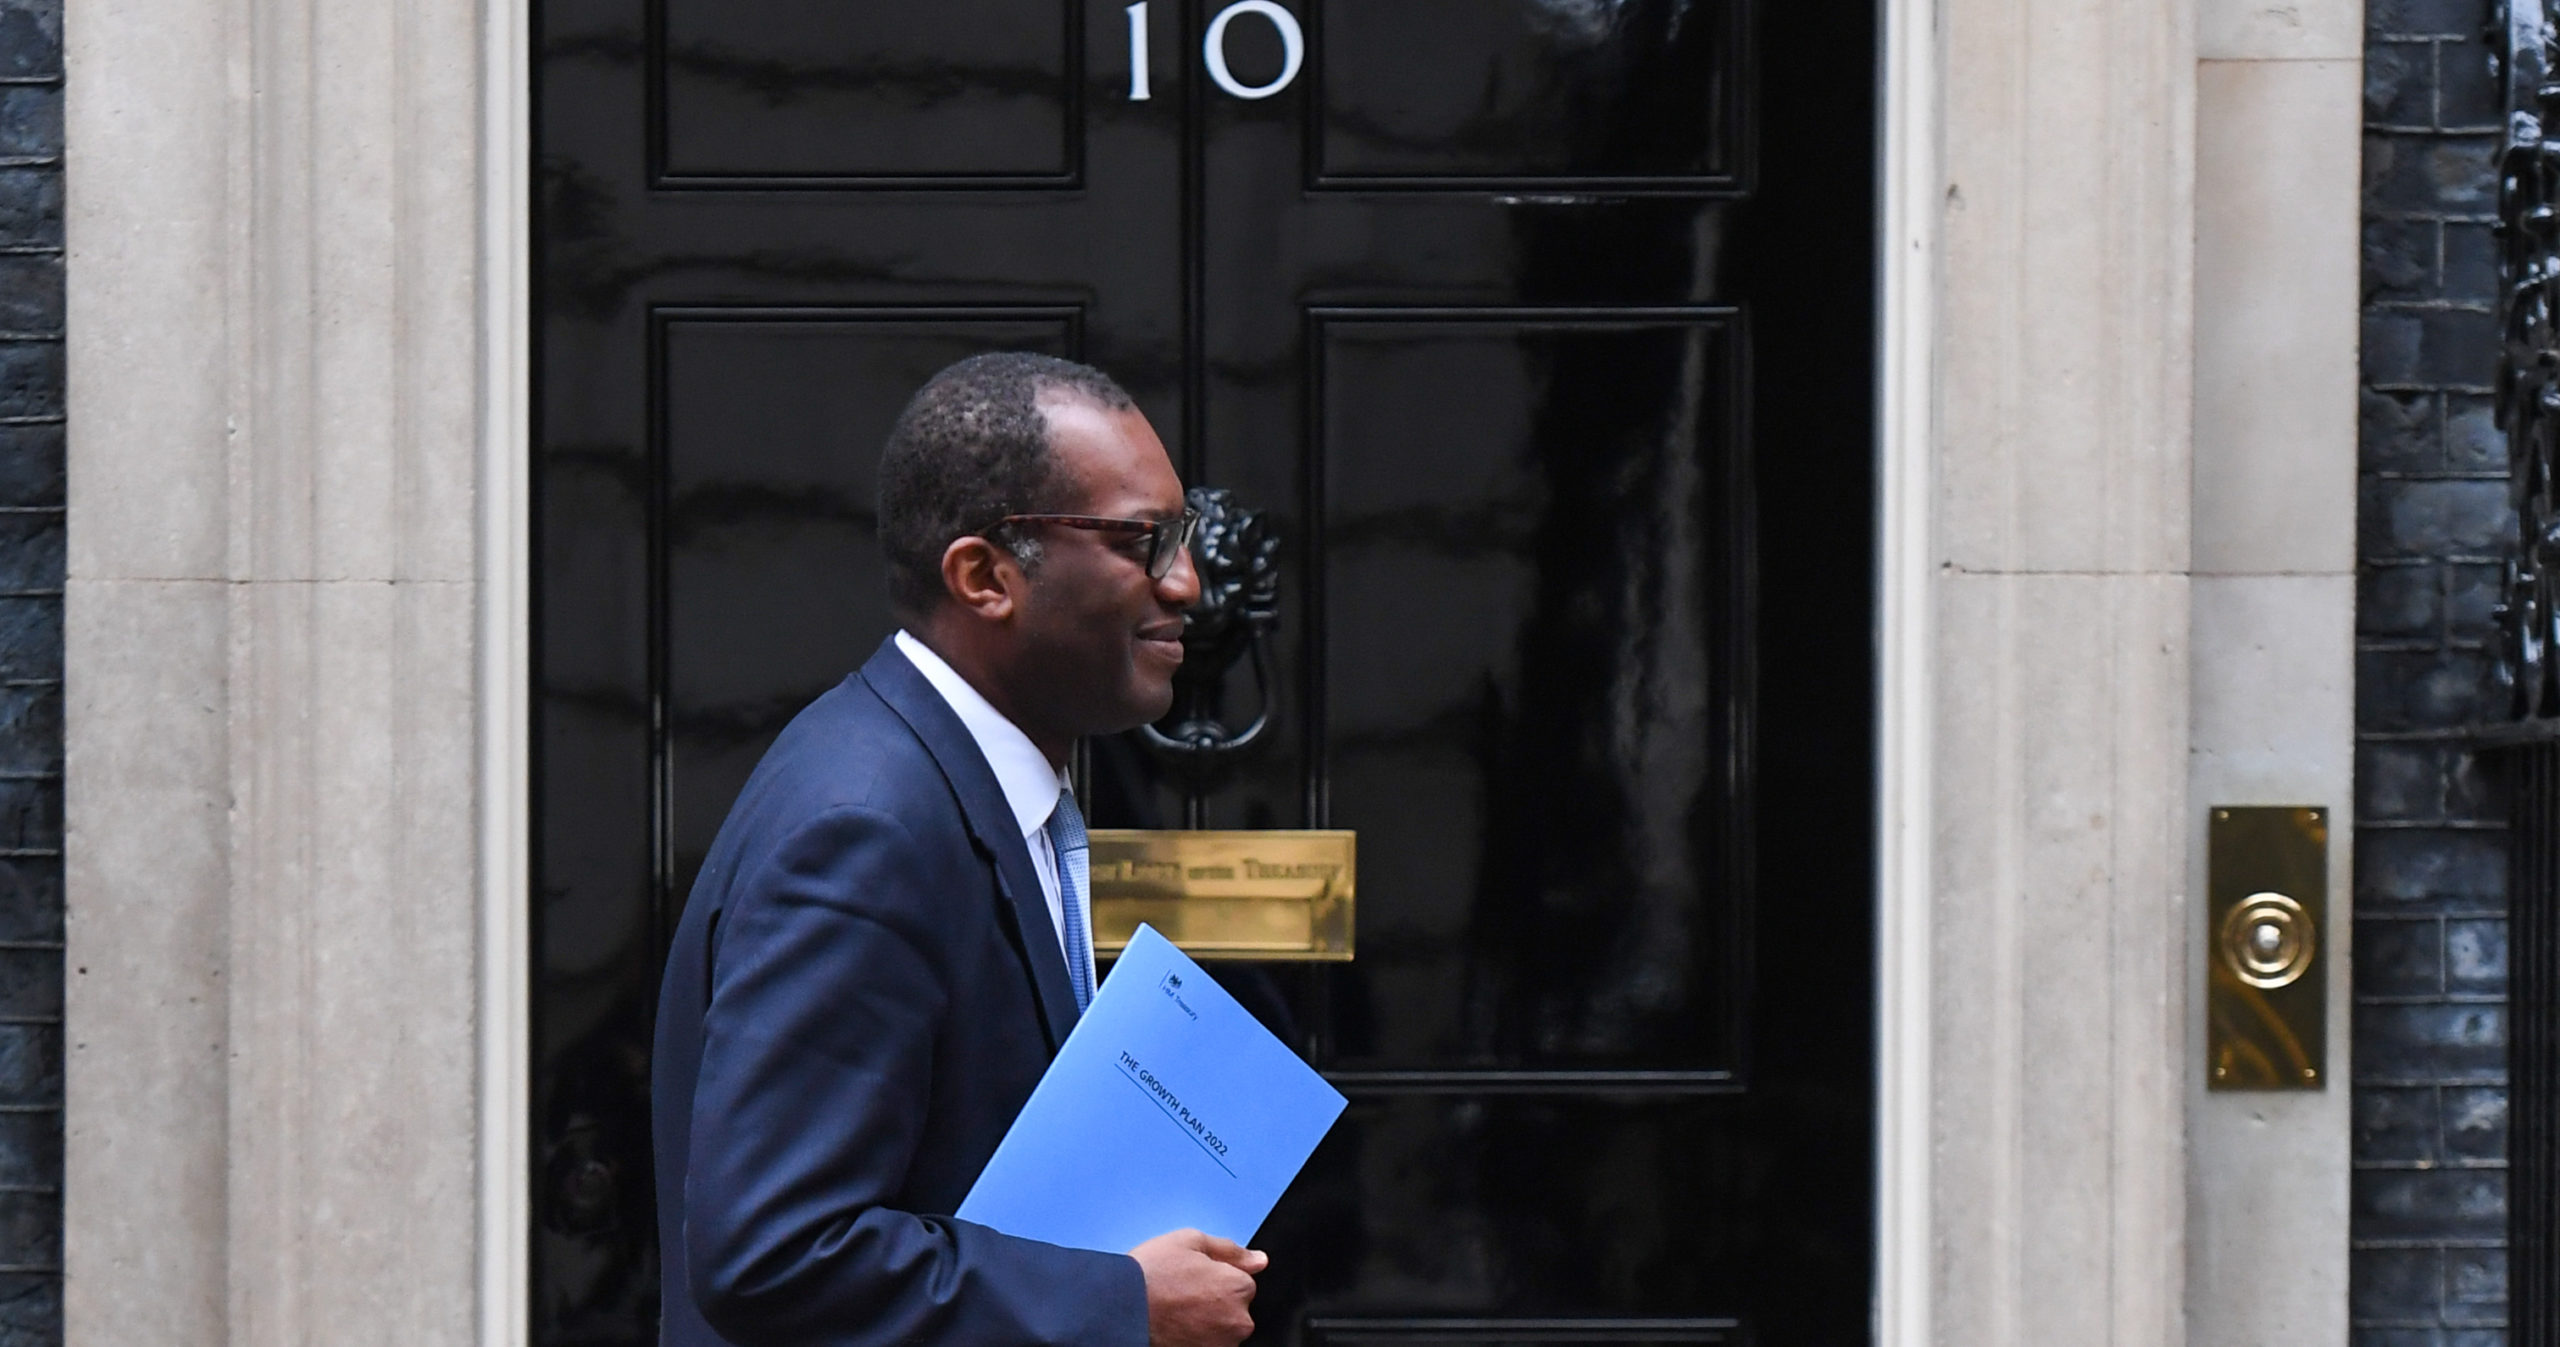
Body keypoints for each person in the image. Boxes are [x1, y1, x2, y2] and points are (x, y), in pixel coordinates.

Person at [650, 353, 1267, 1347]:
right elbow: (774, 1254)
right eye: (1141, 542)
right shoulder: (865, 831)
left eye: (1181, 536)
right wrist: (1120, 1302)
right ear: (985, 576)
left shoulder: (969, 789)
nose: (1187, 584)